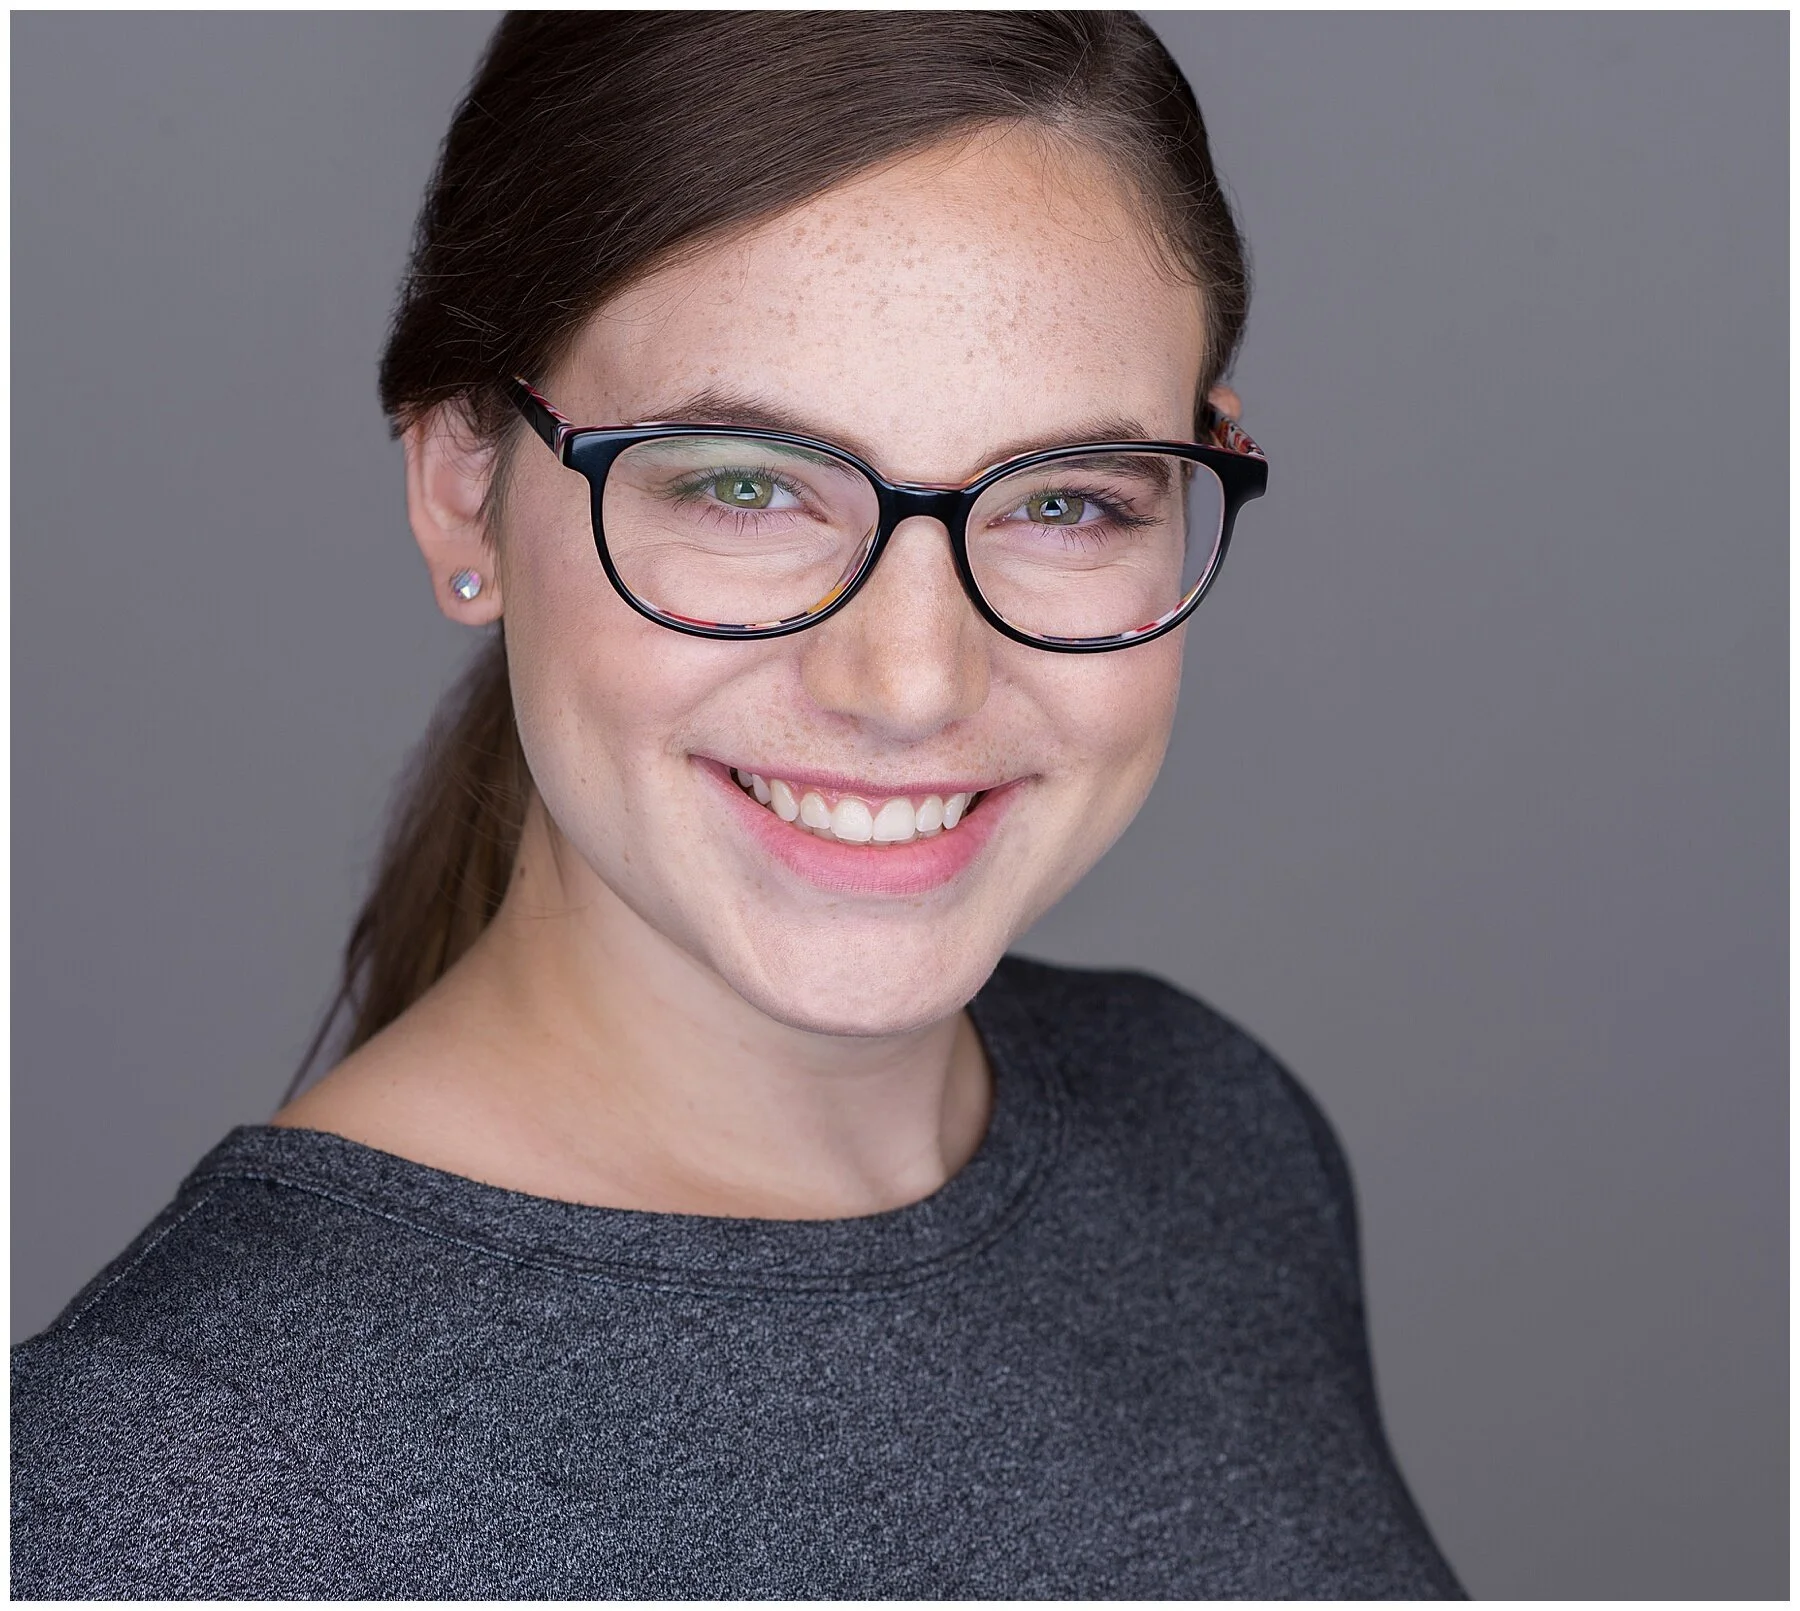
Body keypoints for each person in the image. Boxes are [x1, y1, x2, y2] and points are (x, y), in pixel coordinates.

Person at [12, 12, 1464, 1599]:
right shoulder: (170, 1484)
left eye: (1065, 499)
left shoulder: (1213, 1133)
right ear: (460, 483)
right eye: (745, 483)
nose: (909, 679)